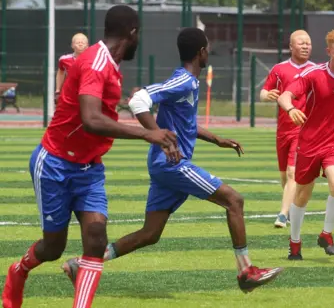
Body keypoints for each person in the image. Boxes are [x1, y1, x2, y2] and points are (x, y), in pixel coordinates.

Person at [61, 27, 284, 294]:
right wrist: (156, 136)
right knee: (234, 200)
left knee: (150, 234)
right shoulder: (183, 81)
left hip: (164, 165)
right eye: (208, 48)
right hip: (171, 165)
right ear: (201, 52)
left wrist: (216, 139)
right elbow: (138, 100)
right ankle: (246, 271)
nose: (208, 52)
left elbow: (185, 125)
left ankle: (83, 264)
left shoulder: (190, 82)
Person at [1, 5, 179, 308]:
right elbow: (91, 120)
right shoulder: (97, 63)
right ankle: (19, 270)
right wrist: (148, 134)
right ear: (132, 33)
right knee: (53, 248)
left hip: (89, 168)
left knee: (96, 238)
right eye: (139, 35)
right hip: (55, 163)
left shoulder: (109, 63)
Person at [277, 29, 334, 260]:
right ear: (329, 51)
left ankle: (326, 234)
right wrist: (291, 108)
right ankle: (295, 243)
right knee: (302, 196)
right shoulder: (312, 74)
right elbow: (284, 96)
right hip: (308, 144)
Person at [260, 30, 315, 228]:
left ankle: (283, 214)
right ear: (291, 47)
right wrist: (267, 96)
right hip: (283, 130)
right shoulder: (279, 69)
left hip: (304, 130)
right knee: (284, 176)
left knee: (293, 172)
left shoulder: (316, 70)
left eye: (308, 43)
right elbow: (263, 92)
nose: (306, 46)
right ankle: (292, 208)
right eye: (301, 43)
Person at [55, 33, 89, 104]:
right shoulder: (64, 59)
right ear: (72, 45)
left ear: (87, 45)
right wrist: (58, 91)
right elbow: (60, 72)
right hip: (69, 95)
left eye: (83, 42)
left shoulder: (93, 60)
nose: (80, 44)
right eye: (77, 42)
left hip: (87, 94)